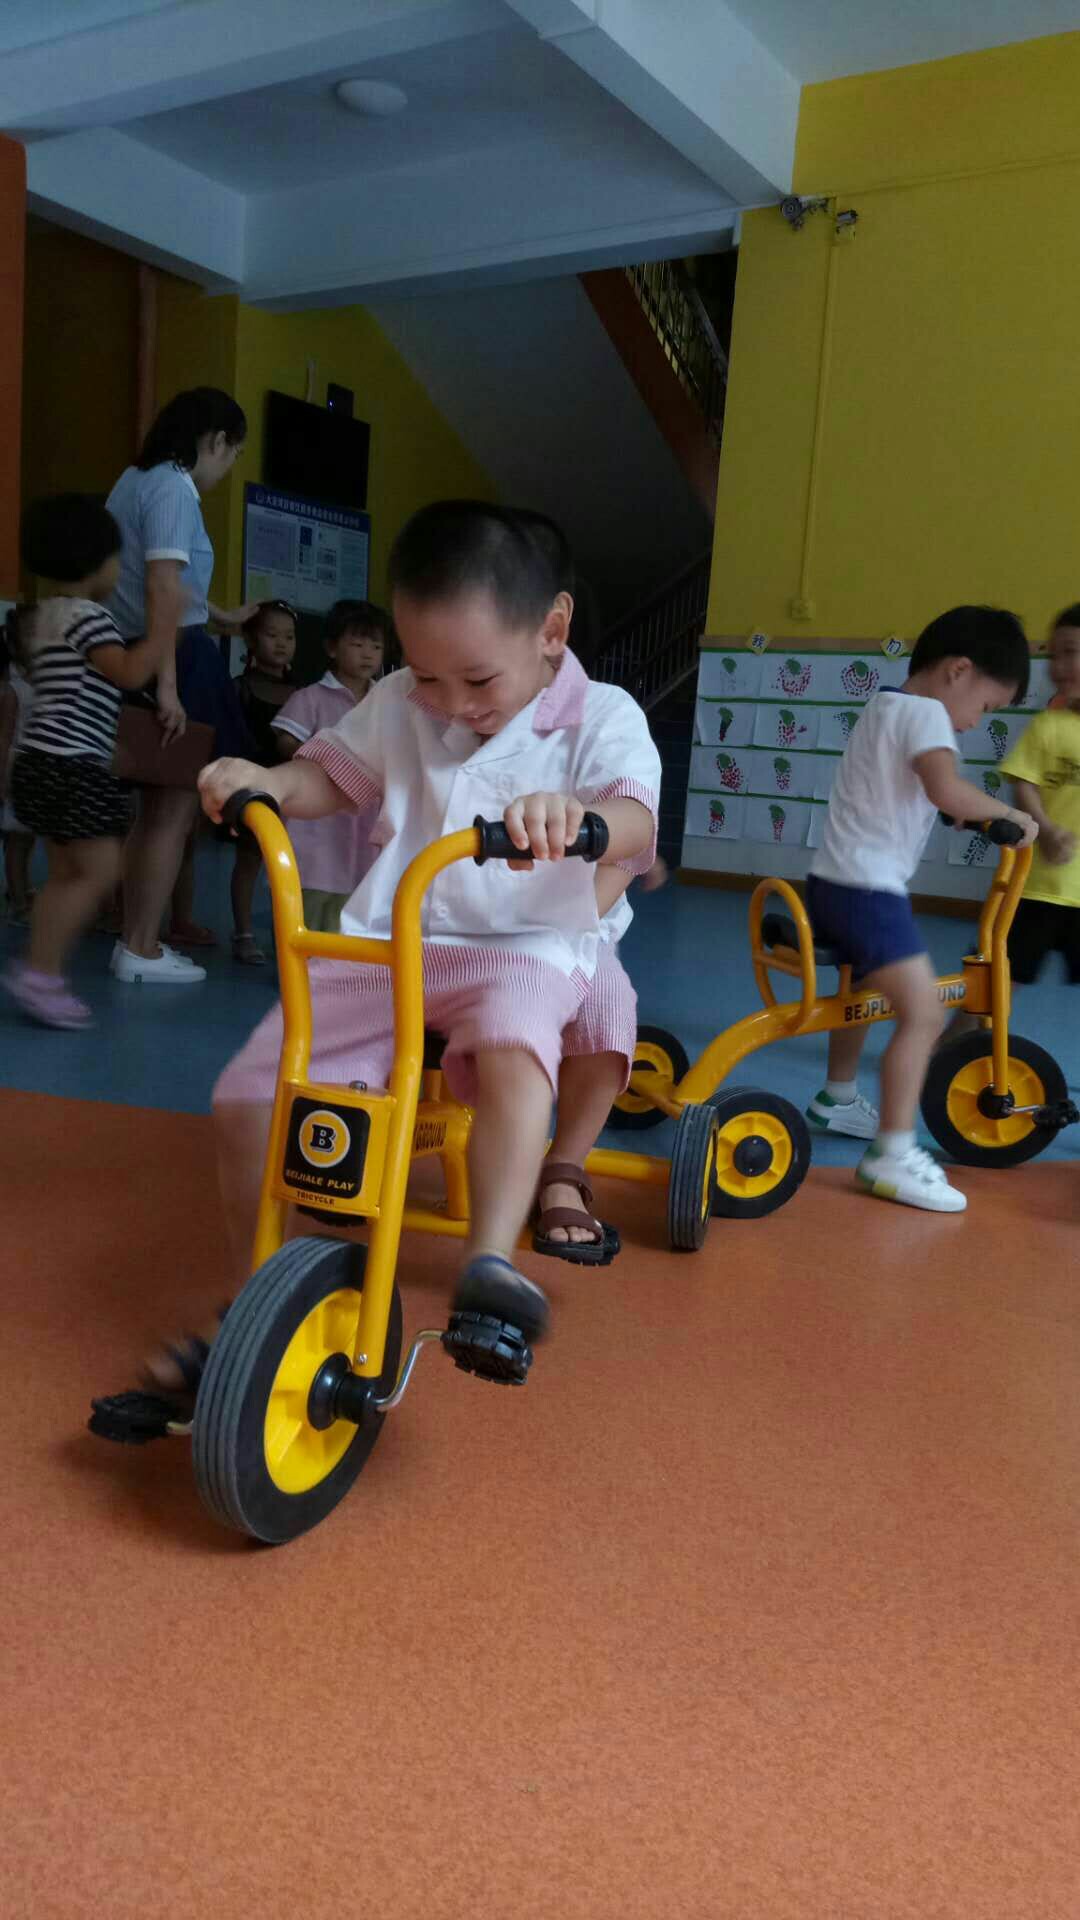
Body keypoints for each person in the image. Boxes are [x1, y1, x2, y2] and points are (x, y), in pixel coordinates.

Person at [131, 499, 660, 1405]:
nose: (449, 703)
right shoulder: (398, 700)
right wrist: (269, 779)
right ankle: (263, 1295)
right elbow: (330, 777)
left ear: (551, 631)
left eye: (477, 680)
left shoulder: (601, 715)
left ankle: (488, 1261)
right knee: (251, 1096)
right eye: (428, 676)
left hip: (523, 943)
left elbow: (637, 821)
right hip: (388, 942)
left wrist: (580, 817)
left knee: (517, 1044)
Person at [802, 605, 1036, 1213]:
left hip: (831, 881)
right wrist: (1010, 814)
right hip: (868, 891)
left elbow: (910, 791)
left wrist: (961, 812)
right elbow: (944, 789)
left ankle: (837, 1096)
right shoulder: (929, 714)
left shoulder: (886, 705)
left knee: (860, 991)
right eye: (986, 706)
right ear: (959, 671)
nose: (976, 722)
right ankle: (893, 1152)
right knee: (925, 1014)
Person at [3, 497, 178, 1028]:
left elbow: (67, 694)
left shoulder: (43, 618)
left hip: (41, 762)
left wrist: (104, 744)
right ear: (97, 562)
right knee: (99, 871)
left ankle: (43, 973)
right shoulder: (90, 618)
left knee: (65, 875)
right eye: (117, 558)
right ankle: (38, 973)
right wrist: (164, 625)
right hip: (69, 768)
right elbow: (129, 673)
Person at [105, 387, 258, 985]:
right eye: (233, 454)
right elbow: (162, 589)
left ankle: (135, 940)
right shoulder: (174, 486)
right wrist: (168, 686)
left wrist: (221, 616)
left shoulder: (134, 480)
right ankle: (140, 948)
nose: (227, 467)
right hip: (174, 659)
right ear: (216, 441)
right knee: (172, 810)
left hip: (143, 649)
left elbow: (162, 582)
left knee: (153, 810)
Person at [270, 598, 388, 932]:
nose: (367, 654)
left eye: (376, 646)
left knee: (353, 907)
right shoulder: (311, 697)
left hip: (365, 822)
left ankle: (336, 963)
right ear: (332, 648)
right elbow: (285, 741)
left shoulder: (387, 700)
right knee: (309, 902)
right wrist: (328, 759)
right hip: (317, 825)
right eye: (357, 644)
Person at [991, 609, 1080, 986]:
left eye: (1070, 652)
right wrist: (1045, 829)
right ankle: (961, 1029)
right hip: (1040, 887)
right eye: (1053, 655)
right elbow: (1023, 783)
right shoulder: (1048, 726)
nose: (1058, 666)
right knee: (998, 981)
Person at [229, 600, 298, 964]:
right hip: (252, 791)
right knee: (249, 861)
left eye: (289, 636)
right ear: (252, 640)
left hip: (294, 793)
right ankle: (243, 933)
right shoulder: (239, 688)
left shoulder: (303, 692)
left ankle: (288, 937)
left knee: (287, 867)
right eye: (272, 635)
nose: (282, 643)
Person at [1, 606, 36, 924]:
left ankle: (22, 889)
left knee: (27, 836)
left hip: (34, 768)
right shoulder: (13, 688)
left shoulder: (37, 682)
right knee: (16, 838)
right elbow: (5, 738)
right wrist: (4, 779)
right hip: (17, 769)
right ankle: (16, 898)